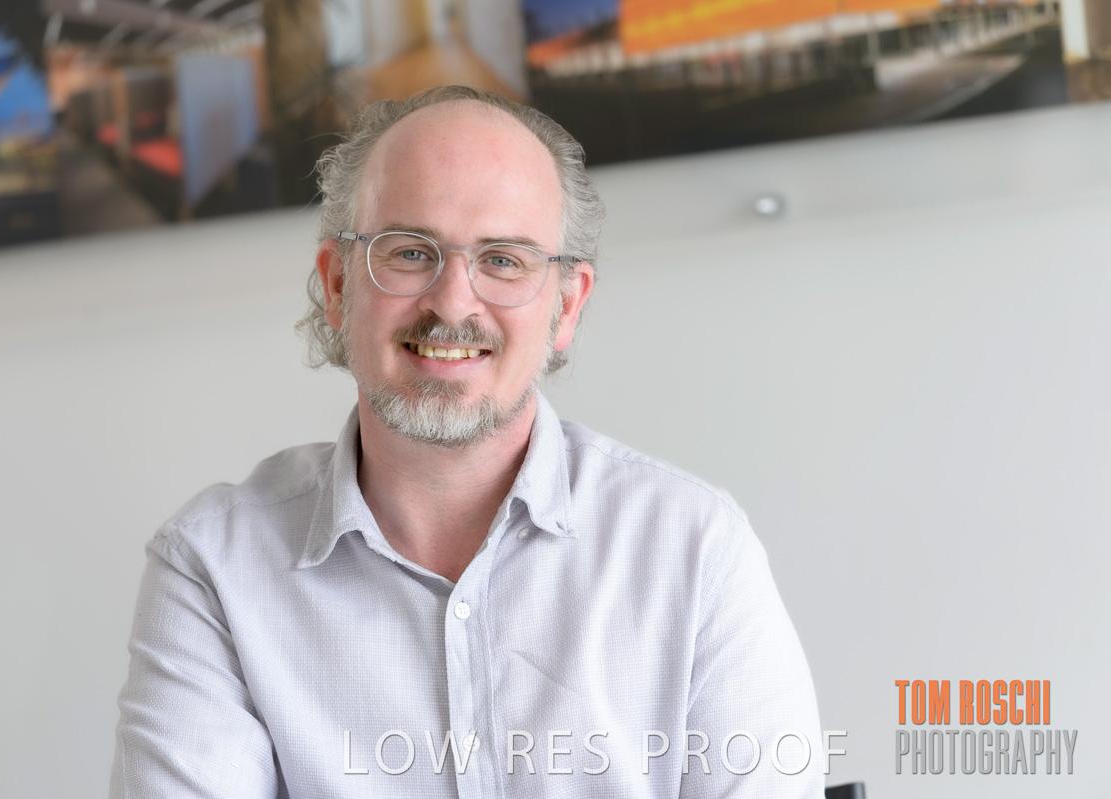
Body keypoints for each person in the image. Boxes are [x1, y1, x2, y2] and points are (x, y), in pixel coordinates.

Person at [111, 85, 823, 798]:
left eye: (503, 260)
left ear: (566, 305)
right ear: (337, 286)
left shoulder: (696, 553)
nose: (453, 303)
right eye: (409, 252)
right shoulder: (213, 569)